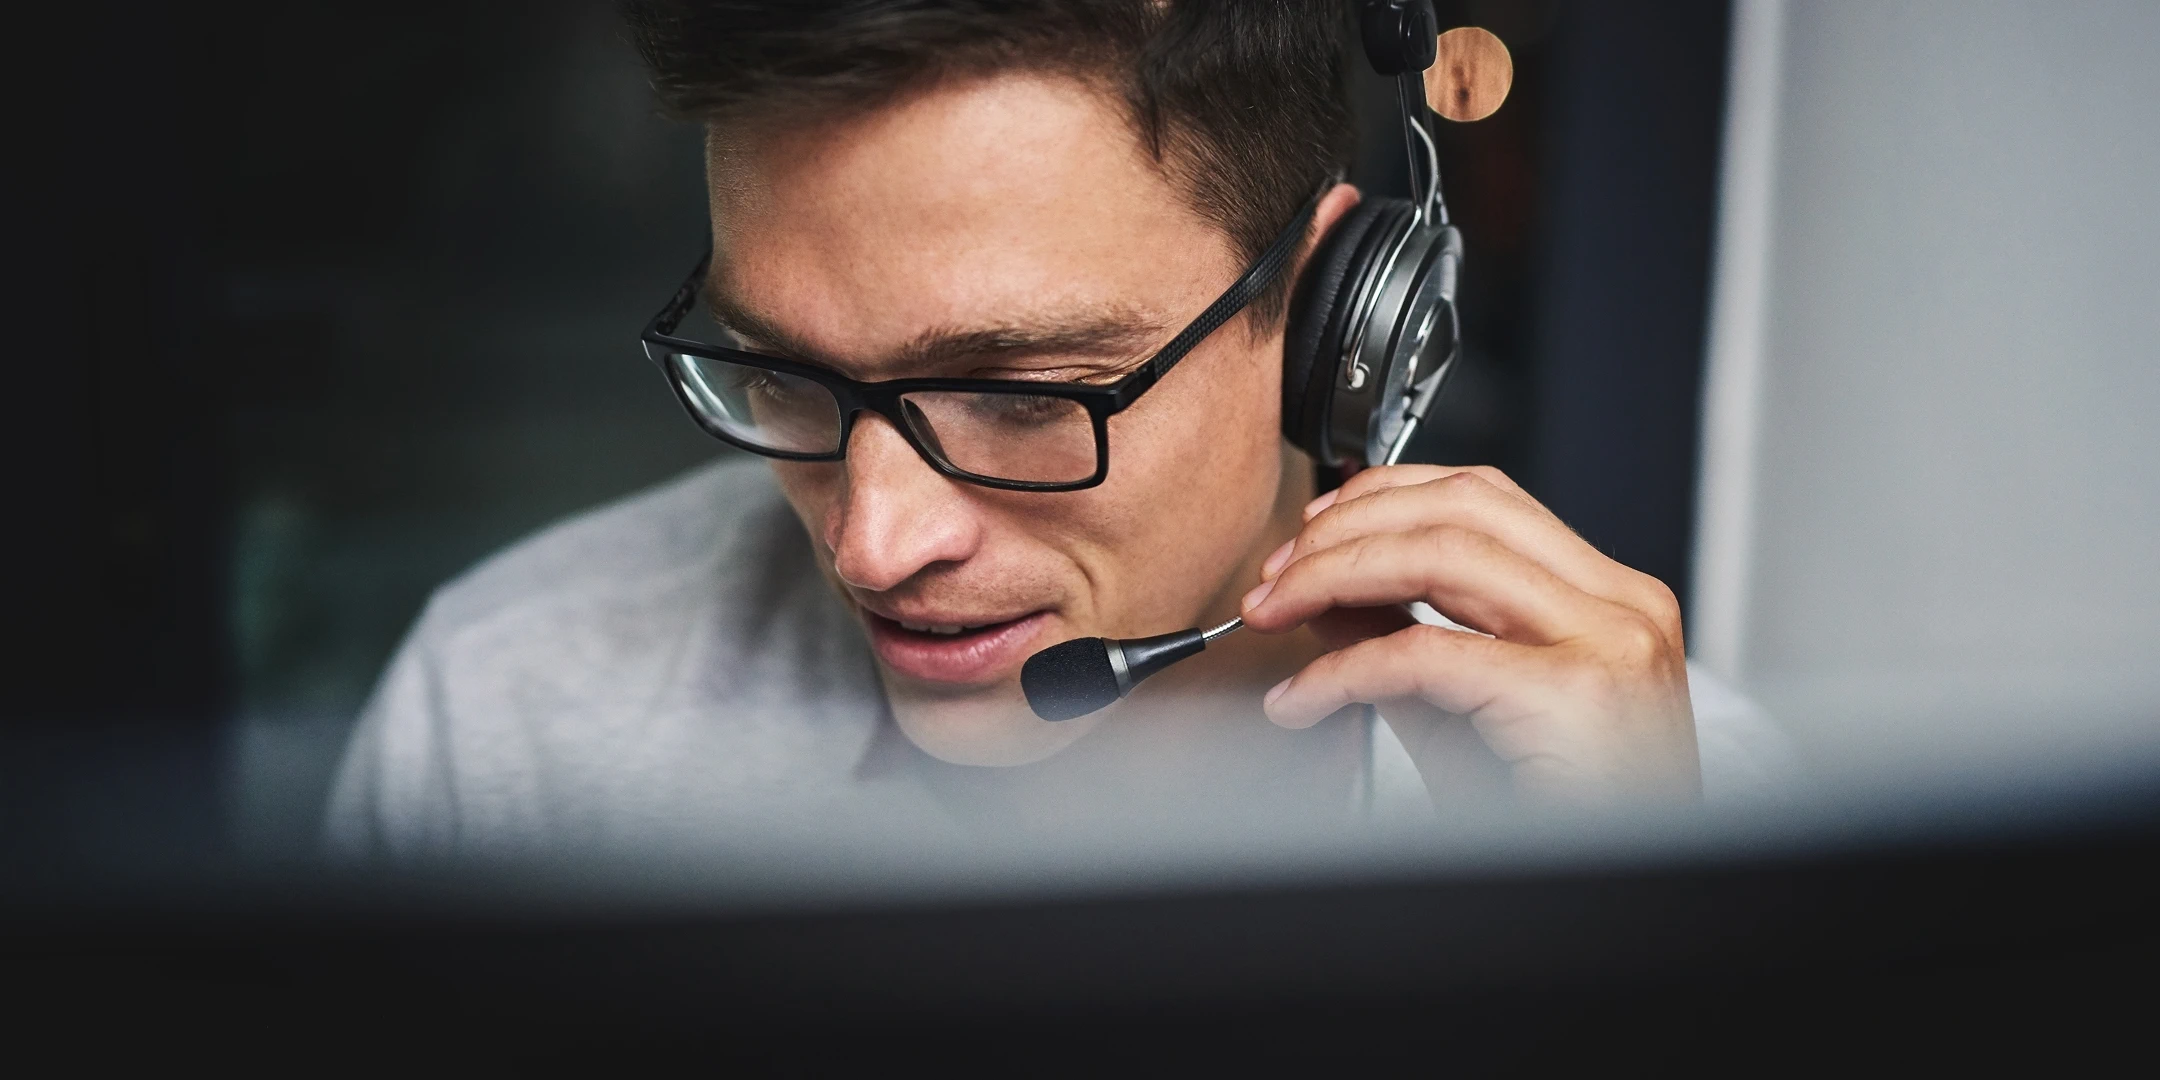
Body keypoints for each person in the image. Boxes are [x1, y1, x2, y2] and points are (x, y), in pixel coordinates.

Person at [327, 0, 1789, 860]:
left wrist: (1633, 944)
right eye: (783, 376)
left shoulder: (1656, 807)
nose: (874, 542)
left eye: (1023, 398)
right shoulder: (504, 721)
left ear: (1341, 316)